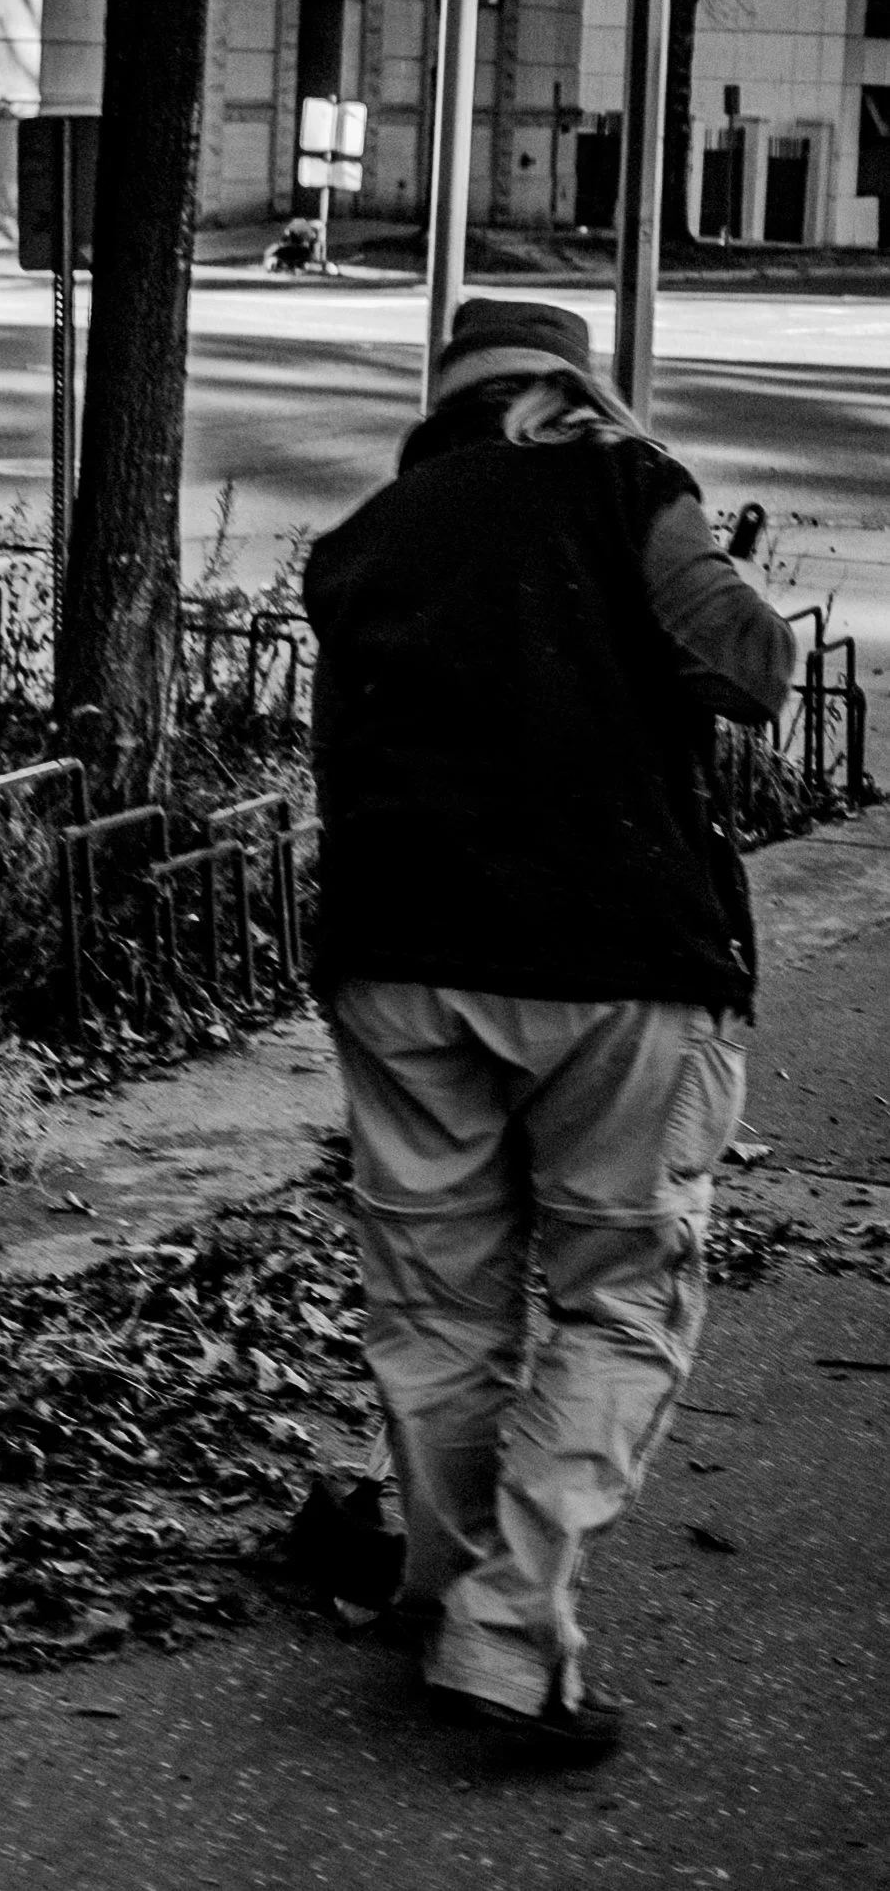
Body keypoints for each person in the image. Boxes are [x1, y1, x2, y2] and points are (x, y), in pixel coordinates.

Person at [301, 299, 796, 1762]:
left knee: (437, 1312)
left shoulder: (365, 536)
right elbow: (750, 665)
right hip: (612, 959)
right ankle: (504, 1638)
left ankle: (446, 1589)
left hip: (399, 964)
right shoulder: (620, 481)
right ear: (568, 392)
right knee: (614, 1299)